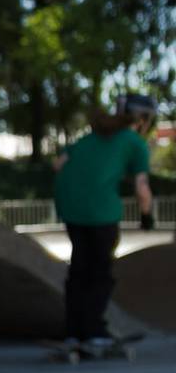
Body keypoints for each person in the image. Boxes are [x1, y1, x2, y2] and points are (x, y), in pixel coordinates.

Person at [53, 94, 157, 352]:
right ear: (143, 119)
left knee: (79, 269)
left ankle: (73, 332)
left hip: (69, 206)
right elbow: (142, 188)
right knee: (100, 272)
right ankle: (94, 331)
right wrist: (147, 217)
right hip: (101, 211)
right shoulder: (134, 142)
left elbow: (58, 164)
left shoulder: (90, 138)